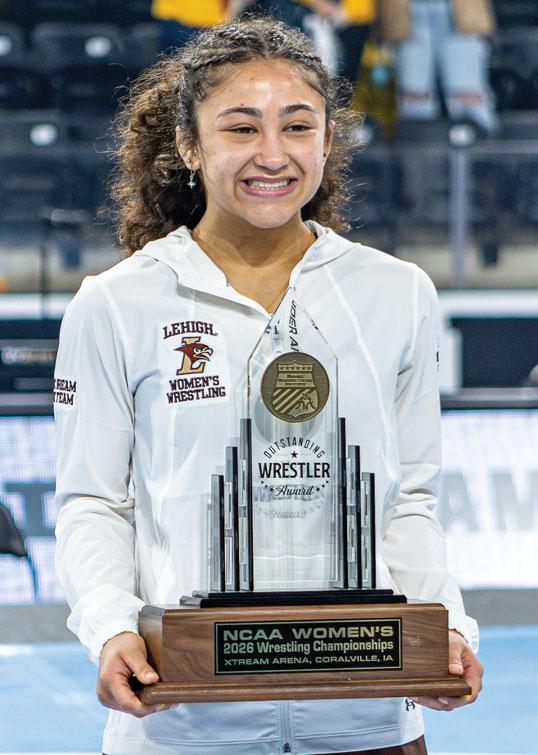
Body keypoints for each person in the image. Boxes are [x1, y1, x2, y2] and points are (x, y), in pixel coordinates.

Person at [54, 17, 483, 755]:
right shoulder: (119, 302)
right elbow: (94, 499)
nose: (273, 155)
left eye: (297, 126)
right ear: (189, 144)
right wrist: (111, 626)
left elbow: (408, 500)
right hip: (184, 724)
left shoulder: (395, 294)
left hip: (367, 723)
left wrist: (446, 628)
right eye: (241, 128)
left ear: (326, 140)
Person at [377, 0, 498, 135]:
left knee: (468, 98)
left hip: (460, 10)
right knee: (414, 100)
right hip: (405, 11)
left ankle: (479, 151)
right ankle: (419, 152)